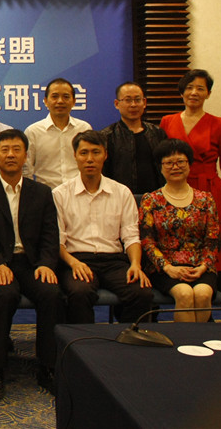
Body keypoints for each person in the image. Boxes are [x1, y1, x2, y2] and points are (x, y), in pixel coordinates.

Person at [0, 129, 62, 399]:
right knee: (4, 295)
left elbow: (50, 234)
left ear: (26, 156)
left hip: (32, 263)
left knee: (51, 293)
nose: (10, 155)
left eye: (16, 150)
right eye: (5, 150)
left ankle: (47, 366)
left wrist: (46, 263)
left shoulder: (42, 193)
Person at [55, 130, 152, 324]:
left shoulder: (122, 192)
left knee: (142, 292)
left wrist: (135, 264)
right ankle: (86, 341)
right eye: (84, 153)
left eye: (96, 152)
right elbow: (57, 240)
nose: (90, 159)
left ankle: (125, 338)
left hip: (113, 261)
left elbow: (131, 236)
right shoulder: (60, 194)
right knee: (80, 292)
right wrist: (73, 263)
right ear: (75, 156)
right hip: (77, 259)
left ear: (105, 155)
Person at [160, 69, 221, 271]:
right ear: (182, 92)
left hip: (209, 189)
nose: (194, 92)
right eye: (189, 88)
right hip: (175, 189)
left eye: (200, 88)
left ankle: (210, 284)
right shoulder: (167, 121)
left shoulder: (219, 124)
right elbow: (161, 160)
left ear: (208, 94)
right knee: (176, 241)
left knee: (211, 245)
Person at [140, 139, 221, 322]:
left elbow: (213, 240)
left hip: (200, 266)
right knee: (184, 293)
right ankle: (185, 340)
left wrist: (203, 267)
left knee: (202, 294)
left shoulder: (206, 199)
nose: (175, 167)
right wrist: (168, 267)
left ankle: (201, 339)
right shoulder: (150, 200)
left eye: (180, 162)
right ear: (160, 167)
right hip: (164, 268)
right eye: (169, 163)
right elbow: (147, 241)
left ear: (189, 164)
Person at [99, 82, 168, 200]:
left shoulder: (157, 133)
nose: (133, 105)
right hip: (119, 199)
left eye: (137, 100)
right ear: (117, 104)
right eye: (128, 100)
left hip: (154, 199)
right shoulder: (107, 136)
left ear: (144, 102)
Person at [25, 78, 92, 189]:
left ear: (74, 101)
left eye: (66, 97)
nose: (60, 101)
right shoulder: (33, 131)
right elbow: (27, 169)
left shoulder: (84, 128)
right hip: (46, 194)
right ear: (46, 101)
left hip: (79, 192)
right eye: (55, 96)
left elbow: (90, 163)